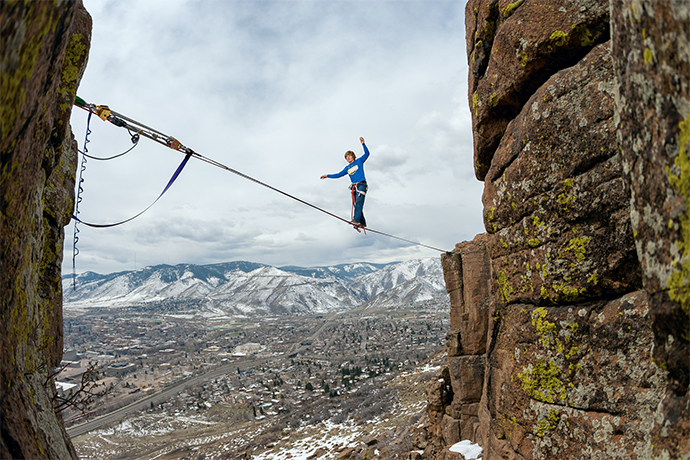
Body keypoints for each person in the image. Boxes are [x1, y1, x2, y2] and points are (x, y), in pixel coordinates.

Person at [321, 137, 370, 229]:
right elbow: (338, 174)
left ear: (353, 156)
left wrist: (363, 144)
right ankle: (361, 222)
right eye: (347, 157)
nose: (348, 158)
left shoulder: (359, 161)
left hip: (361, 185)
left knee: (359, 202)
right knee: (356, 204)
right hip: (354, 187)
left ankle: (356, 220)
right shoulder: (347, 168)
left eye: (350, 156)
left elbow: (367, 154)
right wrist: (327, 175)